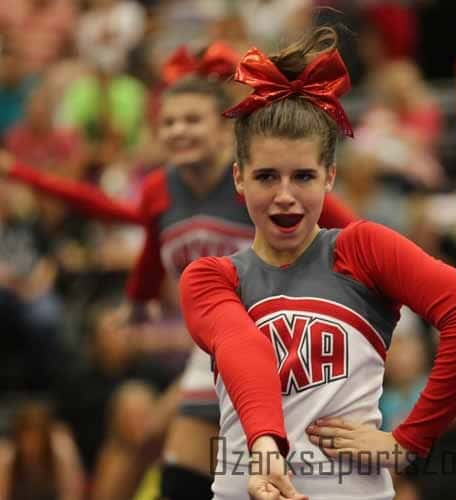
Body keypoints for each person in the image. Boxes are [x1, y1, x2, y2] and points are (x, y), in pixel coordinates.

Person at [0, 42, 355, 500]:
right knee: (170, 457)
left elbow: (349, 228)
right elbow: (136, 239)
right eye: (168, 122)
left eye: (192, 120)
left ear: (224, 129)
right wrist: (134, 305)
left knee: (184, 446)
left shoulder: (259, 179)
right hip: (215, 348)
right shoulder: (160, 190)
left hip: (282, 338)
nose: (178, 131)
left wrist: (403, 275)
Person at [179, 27, 456, 499]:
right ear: (238, 177)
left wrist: (408, 441)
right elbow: (242, 349)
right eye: (267, 176)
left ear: (331, 176)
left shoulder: (362, 250)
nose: (285, 196)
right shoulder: (212, 277)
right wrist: (267, 448)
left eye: (304, 176)